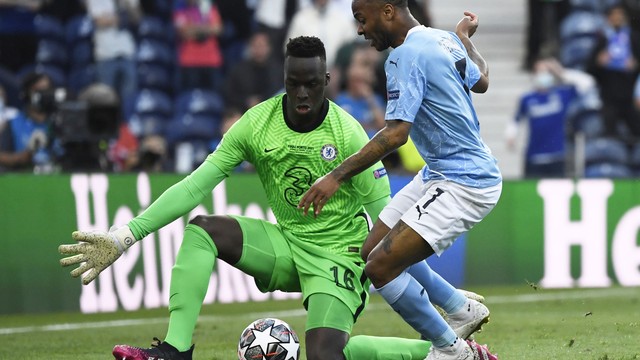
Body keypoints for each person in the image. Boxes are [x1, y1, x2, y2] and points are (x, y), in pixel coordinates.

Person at [58, 36, 499, 360]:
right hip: (288, 246)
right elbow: (196, 185)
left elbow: (387, 226)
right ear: (283, 79)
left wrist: (448, 297)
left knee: (327, 356)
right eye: (294, 84)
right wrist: (124, 237)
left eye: (311, 84)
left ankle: (438, 352)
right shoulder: (256, 124)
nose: (303, 94)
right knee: (203, 231)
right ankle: (176, 350)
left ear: (326, 80)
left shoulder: (348, 136)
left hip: (339, 260)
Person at [298, 3, 502, 360]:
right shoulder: (443, 40)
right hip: (440, 171)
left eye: (362, 19)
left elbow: (396, 135)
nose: (360, 30)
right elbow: (482, 80)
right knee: (370, 251)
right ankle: (461, 309)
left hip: (465, 182)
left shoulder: (403, 56)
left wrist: (335, 176)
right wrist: (464, 39)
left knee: (380, 267)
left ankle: (452, 350)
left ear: (388, 11)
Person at [506, 57, 579, 178]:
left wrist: (561, 72)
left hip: (557, 156)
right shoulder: (528, 98)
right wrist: (511, 135)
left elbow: (587, 84)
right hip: (534, 156)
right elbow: (516, 119)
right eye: (539, 71)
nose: (542, 75)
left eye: (546, 72)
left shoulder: (562, 94)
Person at [587, 4, 640, 141]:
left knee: (636, 132)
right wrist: (599, 63)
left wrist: (635, 65)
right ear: (608, 18)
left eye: (620, 14)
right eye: (614, 15)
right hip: (608, 96)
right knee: (609, 135)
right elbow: (590, 69)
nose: (617, 18)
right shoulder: (602, 40)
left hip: (630, 96)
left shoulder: (633, 38)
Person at [0, 71, 57, 173]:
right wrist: (29, 152)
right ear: (27, 93)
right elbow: (2, 157)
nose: (44, 96)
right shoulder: (14, 123)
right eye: (39, 91)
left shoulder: (58, 123)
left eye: (47, 91)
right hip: (24, 182)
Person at [173, 0, 224, 92]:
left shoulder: (209, 9)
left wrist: (194, 28)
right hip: (189, 62)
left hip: (211, 61)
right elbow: (184, 32)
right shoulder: (180, 10)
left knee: (214, 99)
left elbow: (218, 29)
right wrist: (207, 28)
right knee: (190, 98)